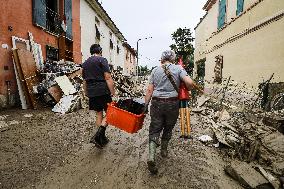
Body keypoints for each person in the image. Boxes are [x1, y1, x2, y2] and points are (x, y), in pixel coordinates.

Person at [144, 50, 202, 174]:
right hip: (172, 104)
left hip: (157, 103)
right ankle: (164, 151)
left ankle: (151, 157)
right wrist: (189, 88)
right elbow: (190, 83)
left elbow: (149, 90)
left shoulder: (155, 70)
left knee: (154, 128)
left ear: (162, 59)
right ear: (173, 59)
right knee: (168, 128)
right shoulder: (178, 69)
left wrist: (145, 105)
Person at [82, 44, 115, 148]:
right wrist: (112, 91)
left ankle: (101, 138)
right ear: (100, 51)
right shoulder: (102, 60)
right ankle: (97, 136)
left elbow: (84, 80)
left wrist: (86, 92)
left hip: (92, 91)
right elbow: (108, 77)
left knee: (99, 113)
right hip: (102, 90)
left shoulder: (85, 63)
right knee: (110, 113)